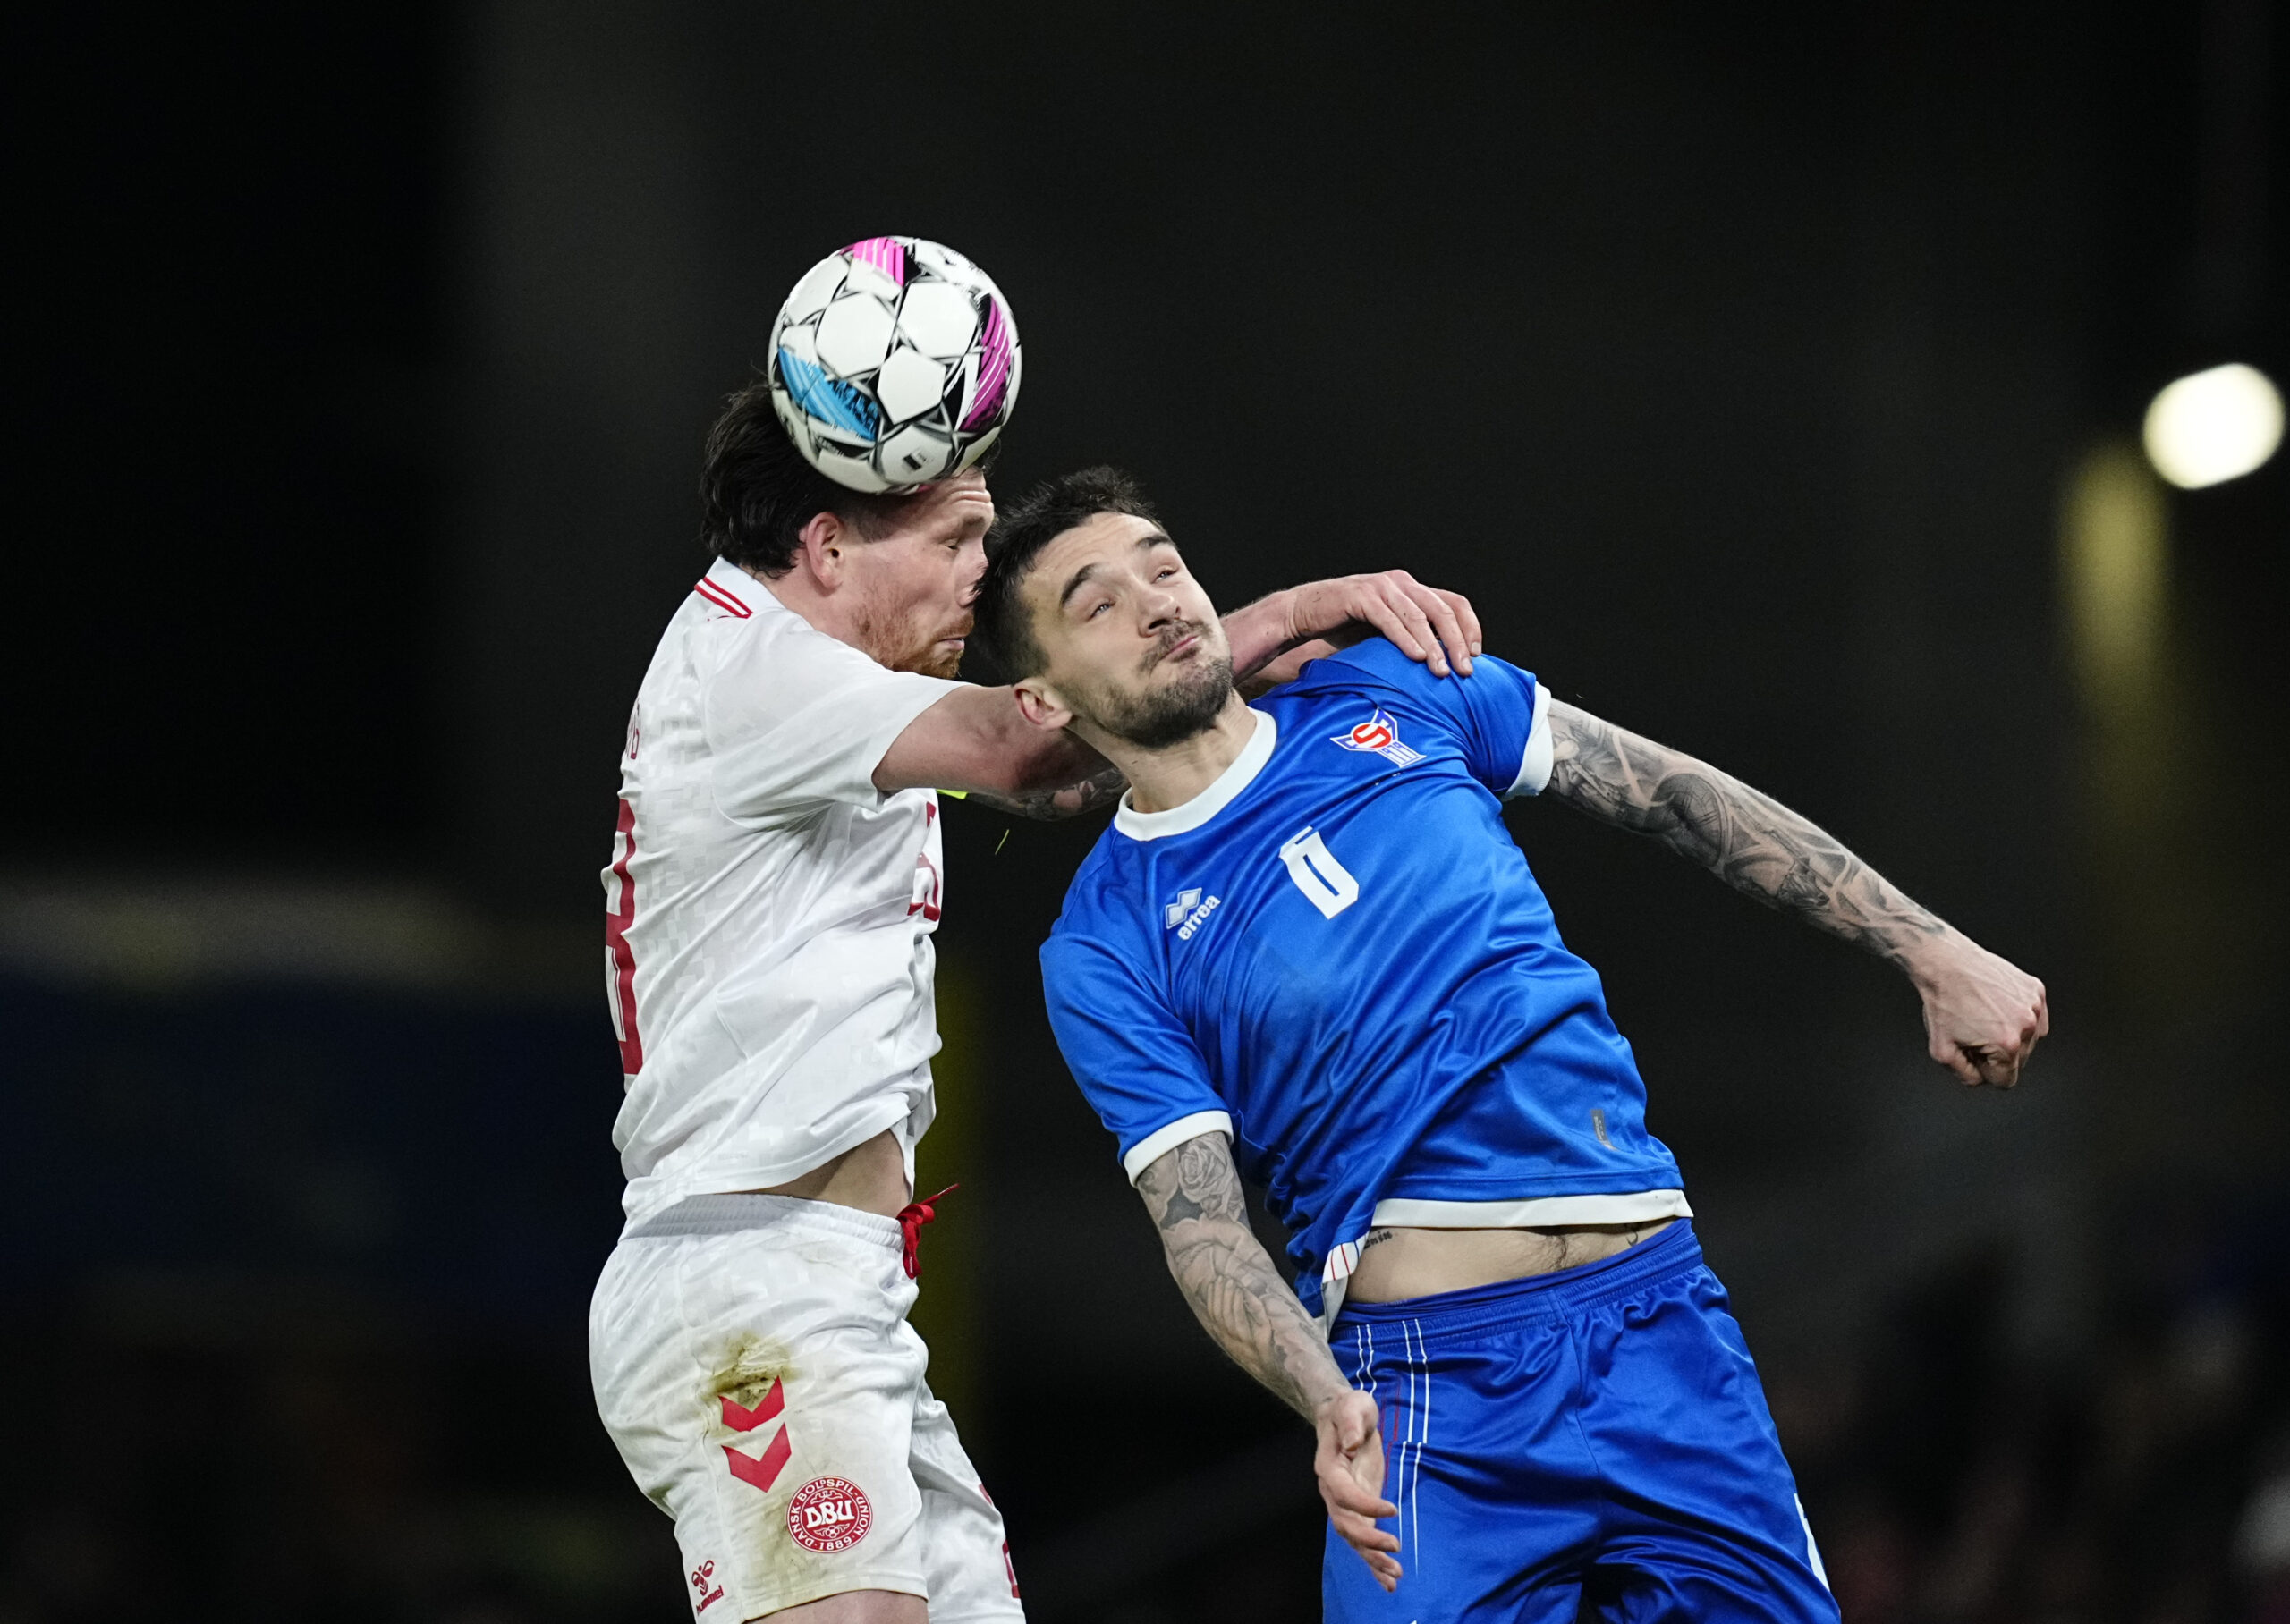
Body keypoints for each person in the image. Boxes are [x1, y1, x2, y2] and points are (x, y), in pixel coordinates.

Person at [970, 466, 2049, 1624]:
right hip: (1434, 1403)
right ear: (1039, 698)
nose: (1156, 600)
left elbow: (1673, 794)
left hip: (1664, 1327)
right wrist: (1320, 1395)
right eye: (1097, 601)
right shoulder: (1106, 941)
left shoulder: (1391, 685)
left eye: (1164, 564)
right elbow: (1200, 1227)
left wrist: (1934, 951)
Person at [586, 385, 1483, 1624]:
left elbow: (1064, 781)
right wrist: (1282, 616)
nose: (979, 571)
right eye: (954, 540)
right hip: (746, 1288)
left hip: (838, 1299)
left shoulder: (842, 697)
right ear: (830, 545)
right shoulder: (755, 671)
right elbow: (1027, 752)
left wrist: (1234, 704)